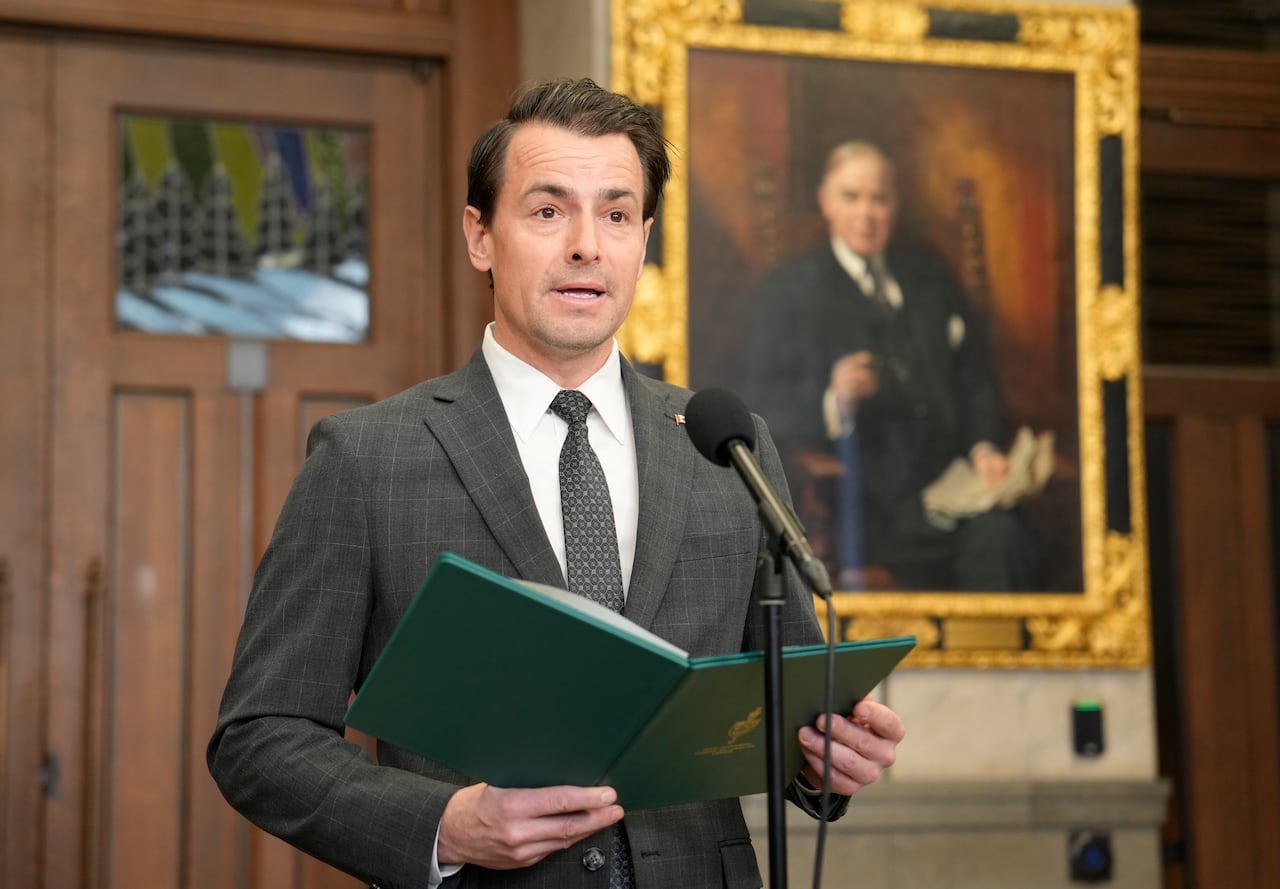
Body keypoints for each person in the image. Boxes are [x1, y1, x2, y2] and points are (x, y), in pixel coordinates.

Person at [207, 79, 905, 889]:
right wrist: (445, 826)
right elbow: (261, 735)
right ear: (480, 235)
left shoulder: (726, 443)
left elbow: (786, 710)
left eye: (615, 214)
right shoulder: (366, 458)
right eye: (547, 211)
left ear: (643, 240)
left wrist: (828, 756)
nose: (586, 246)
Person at [744, 142, 1044, 591]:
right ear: (825, 201)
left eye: (879, 199)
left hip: (954, 489)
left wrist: (983, 446)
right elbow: (756, 397)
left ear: (895, 206)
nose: (866, 214)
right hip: (868, 509)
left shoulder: (928, 282)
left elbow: (975, 380)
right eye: (851, 197)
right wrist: (832, 399)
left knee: (1005, 537)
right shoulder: (791, 290)